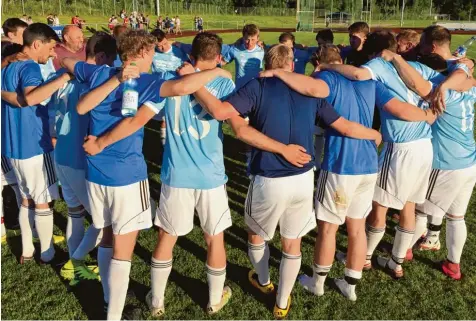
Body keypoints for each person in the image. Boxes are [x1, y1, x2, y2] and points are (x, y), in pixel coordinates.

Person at [192, 44, 385, 318]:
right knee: (292, 241)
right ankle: (282, 302)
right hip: (304, 178)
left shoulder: (257, 86)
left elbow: (222, 113)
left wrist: (195, 87)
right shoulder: (310, 91)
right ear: (292, 66)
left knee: (257, 235)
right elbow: (342, 125)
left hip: (269, 177)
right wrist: (373, 134)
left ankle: (262, 280)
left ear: (266, 66)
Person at [62, 29, 236, 320]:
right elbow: (179, 91)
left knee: (108, 236)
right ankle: (114, 314)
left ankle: (122, 299)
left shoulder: (97, 73)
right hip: (127, 174)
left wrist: (108, 76)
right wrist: (216, 72)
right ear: (142, 52)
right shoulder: (149, 82)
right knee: (123, 248)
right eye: (152, 52)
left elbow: (69, 66)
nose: (155, 56)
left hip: (96, 171)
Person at [261, 44, 436, 301]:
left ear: (318, 62)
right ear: (341, 59)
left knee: (328, 228)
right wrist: (427, 115)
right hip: (368, 165)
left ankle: (317, 282)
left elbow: (310, 89)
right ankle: (350, 284)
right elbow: (398, 108)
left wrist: (279, 74)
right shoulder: (370, 81)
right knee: (356, 227)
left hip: (341, 164)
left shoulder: (324, 77)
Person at [318, 30, 470, 278]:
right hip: (425, 145)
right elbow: (460, 78)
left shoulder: (378, 65)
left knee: (379, 207)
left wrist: (327, 66)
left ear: (374, 52)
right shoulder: (416, 68)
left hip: (401, 147)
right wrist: (466, 67)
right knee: (408, 205)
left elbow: (358, 74)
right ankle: (396, 262)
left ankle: (364, 257)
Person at [379, 51, 476, 280]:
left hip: (446, 163)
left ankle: (400, 255)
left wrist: (397, 60)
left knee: (419, 210)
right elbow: (467, 73)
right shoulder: (470, 87)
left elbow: (416, 84)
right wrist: (466, 65)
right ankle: (453, 264)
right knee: (456, 216)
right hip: (469, 162)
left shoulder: (444, 94)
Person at [50, 32, 118, 285]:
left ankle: (73, 262)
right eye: (111, 60)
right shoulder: (94, 83)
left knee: (75, 213)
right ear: (101, 56)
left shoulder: (61, 76)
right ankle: (74, 263)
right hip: (79, 158)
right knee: (104, 221)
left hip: (62, 153)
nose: (112, 67)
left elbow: (51, 112)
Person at [1, 23, 71, 264]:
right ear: (37, 44)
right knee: (42, 200)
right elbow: (31, 97)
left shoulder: (8, 67)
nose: (53, 54)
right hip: (33, 144)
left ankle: (28, 250)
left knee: (26, 199)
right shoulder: (29, 66)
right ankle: (48, 253)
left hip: (13, 145)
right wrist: (62, 78)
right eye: (51, 48)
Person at [221, 24, 264, 89]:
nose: (250, 43)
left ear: (258, 38)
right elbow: (222, 62)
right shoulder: (235, 49)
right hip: (240, 90)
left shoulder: (262, 49)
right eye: (247, 39)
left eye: (253, 39)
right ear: (243, 37)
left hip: (257, 90)